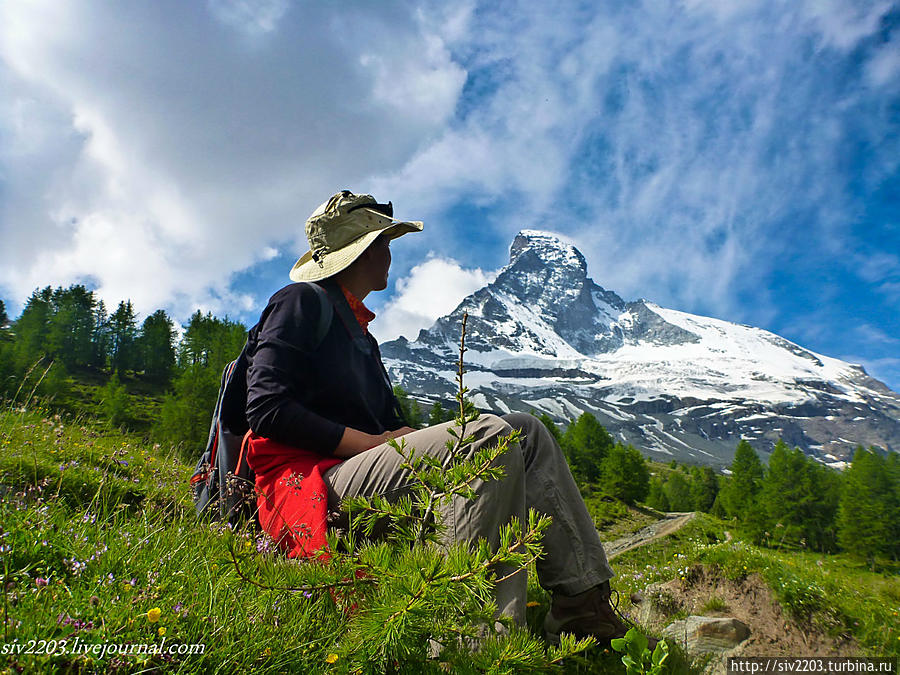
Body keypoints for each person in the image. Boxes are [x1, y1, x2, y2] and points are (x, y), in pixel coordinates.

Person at [243, 189, 636, 646]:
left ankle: (583, 609)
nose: (390, 254)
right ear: (362, 252)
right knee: (487, 437)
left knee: (525, 430)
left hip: (351, 475)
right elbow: (267, 409)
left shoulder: (360, 336)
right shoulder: (300, 301)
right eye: (384, 244)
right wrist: (379, 445)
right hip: (308, 484)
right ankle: (467, 640)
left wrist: (397, 439)